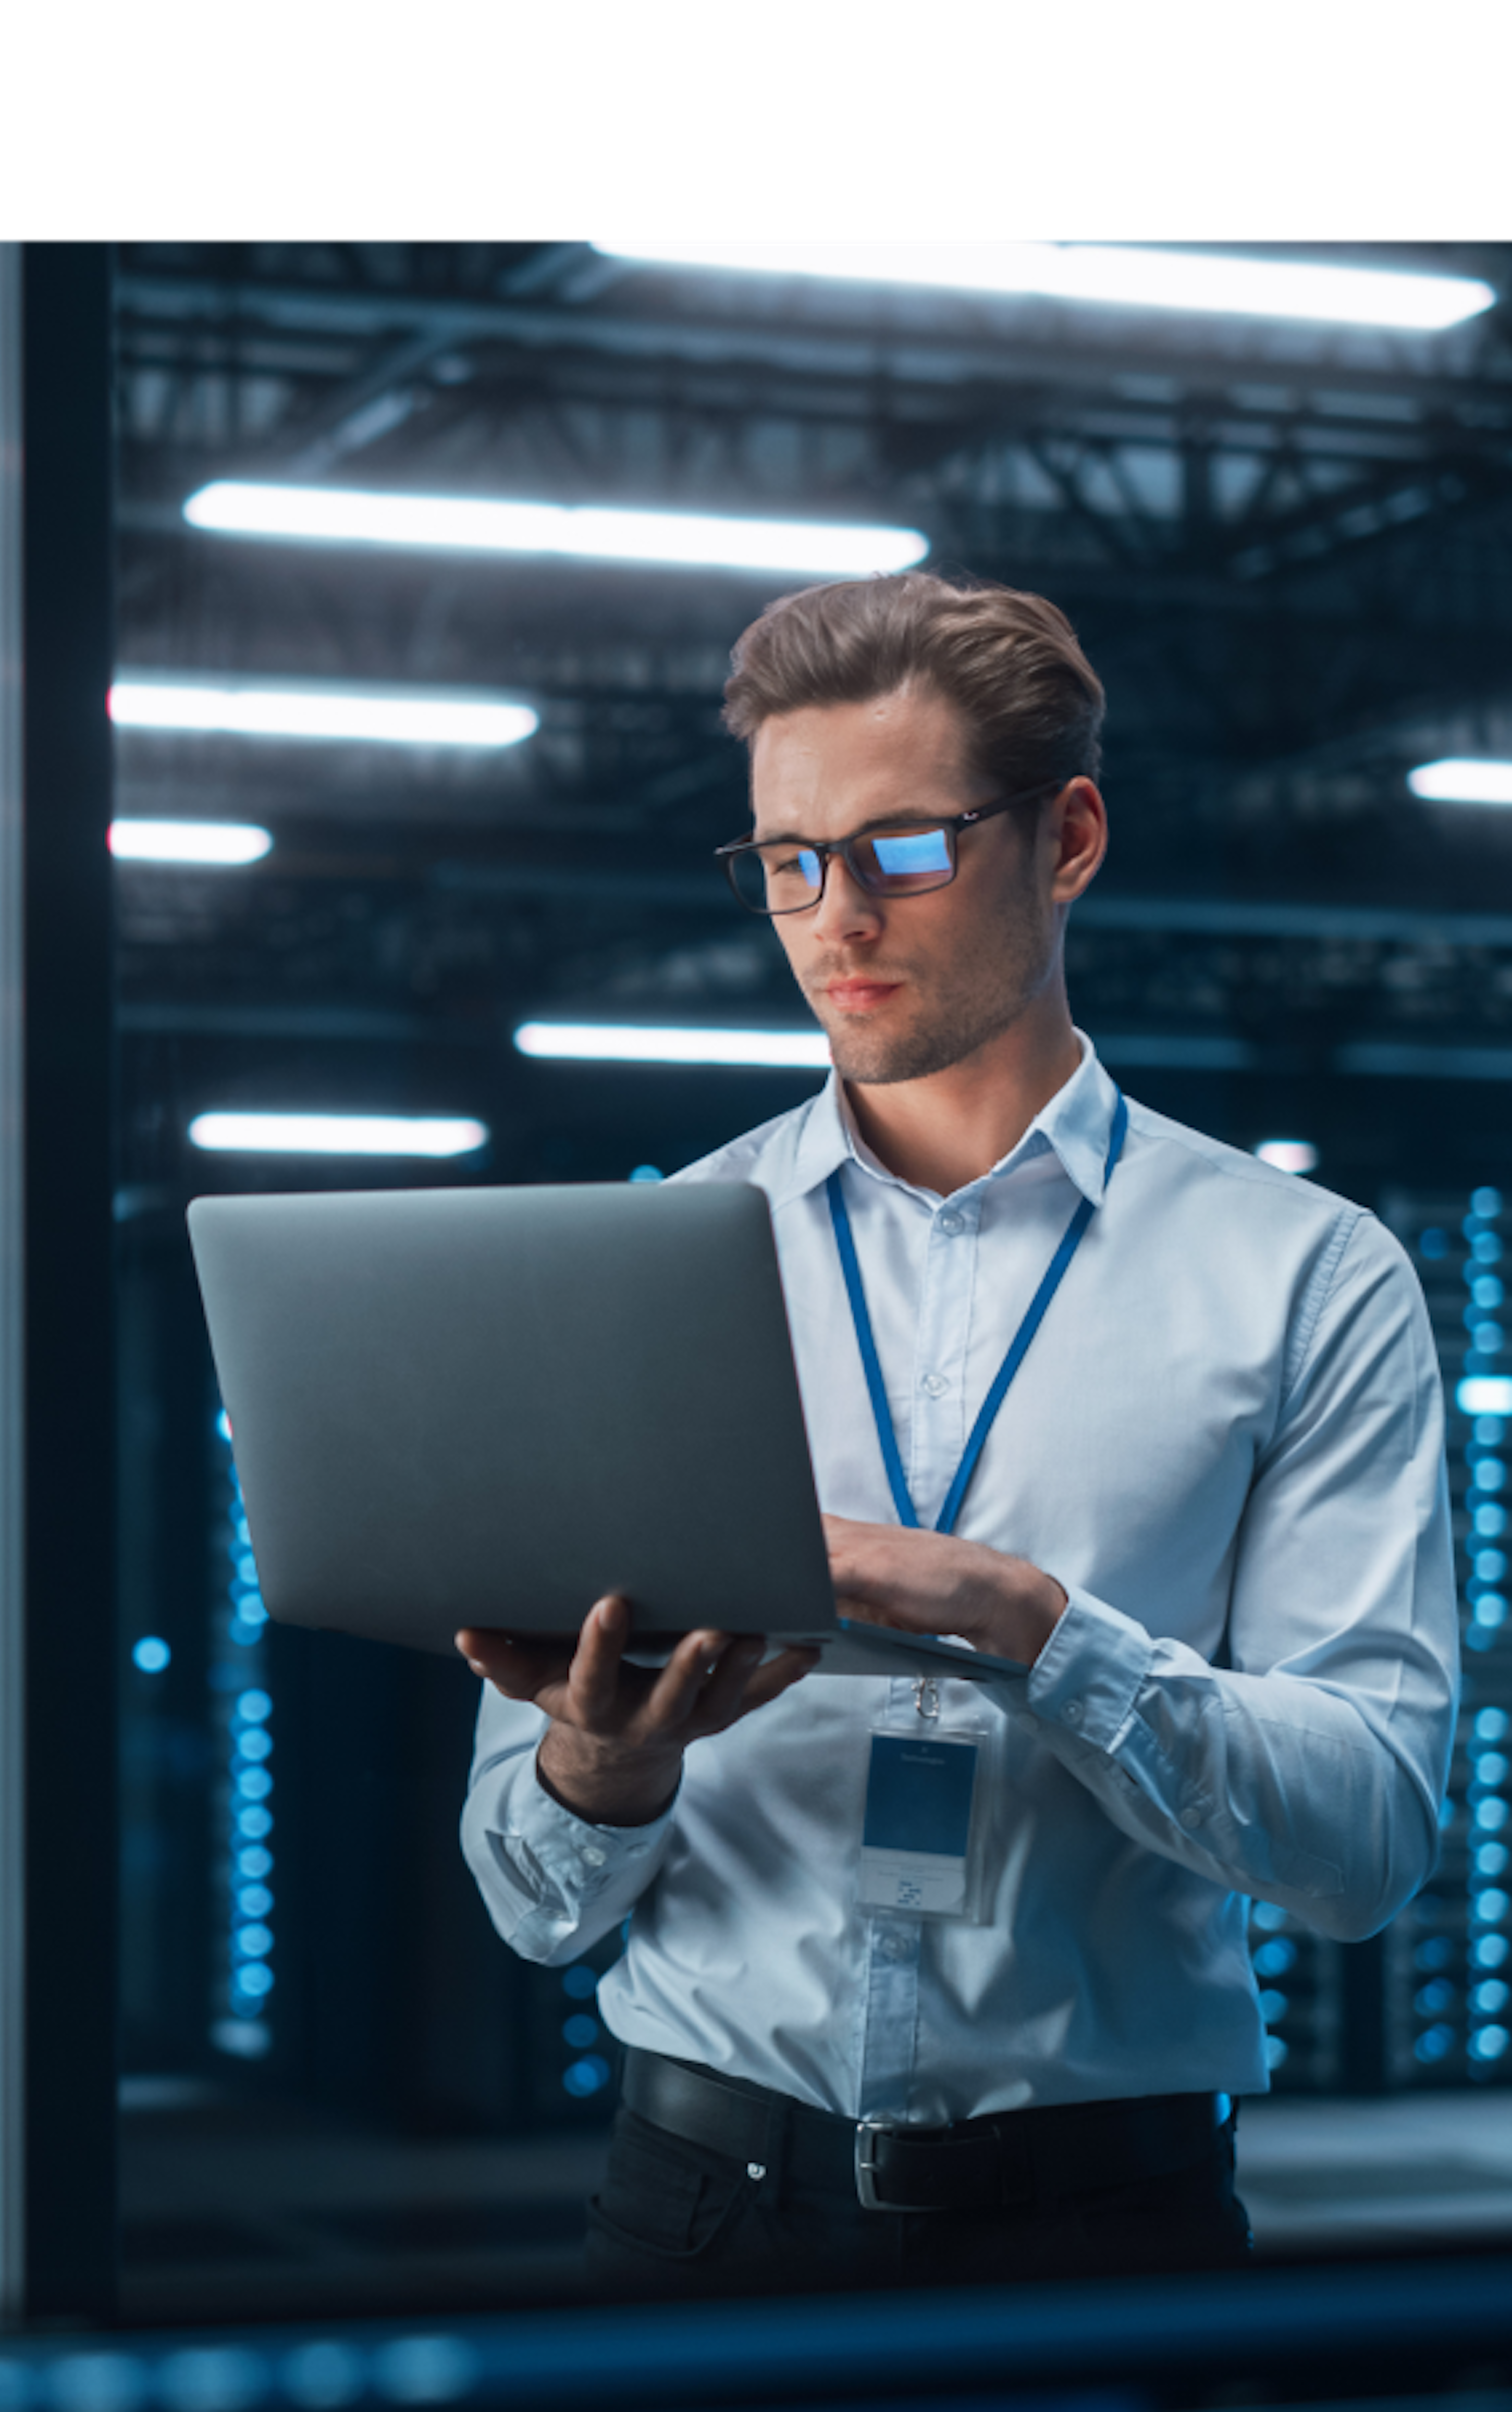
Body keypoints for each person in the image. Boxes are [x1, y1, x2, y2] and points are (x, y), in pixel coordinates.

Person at [456, 571, 1459, 2295]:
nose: (833, 917)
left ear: (1065, 840)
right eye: (788, 859)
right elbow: (535, 1898)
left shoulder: (1307, 1275)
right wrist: (602, 1771)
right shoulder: (650, 1262)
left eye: (902, 847)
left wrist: (1027, 1625)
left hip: (1101, 2233)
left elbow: (1367, 1838)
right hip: (698, 2209)